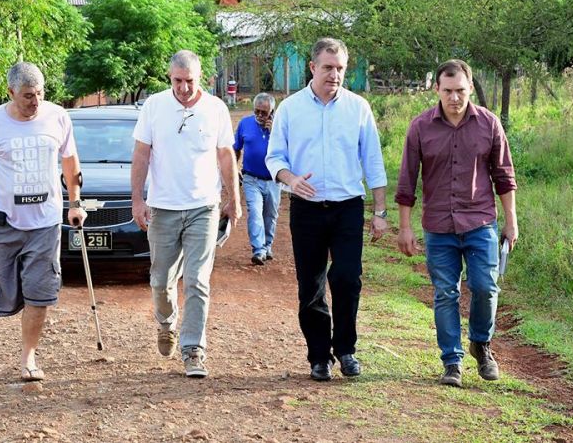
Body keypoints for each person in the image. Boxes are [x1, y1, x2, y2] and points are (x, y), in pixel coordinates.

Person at [266, 38, 388, 381]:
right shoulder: (289, 108)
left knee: (347, 278)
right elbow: (274, 157)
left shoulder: (358, 107)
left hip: (348, 206)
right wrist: (290, 178)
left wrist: (380, 212)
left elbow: (373, 161)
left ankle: (345, 348)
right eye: (328, 67)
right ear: (312, 67)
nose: (334, 74)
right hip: (306, 209)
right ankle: (319, 357)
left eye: (340, 69)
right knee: (311, 284)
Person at [0, 62, 86, 382]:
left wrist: (75, 203)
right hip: (5, 222)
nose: (35, 102)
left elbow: (70, 163)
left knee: (39, 292)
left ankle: (28, 357)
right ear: (11, 92)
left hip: (45, 223)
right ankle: (19, 327)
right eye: (28, 95)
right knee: (6, 296)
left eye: (40, 94)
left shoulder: (57, 116)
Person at [396, 59, 518, 388]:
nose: (454, 98)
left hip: (480, 222)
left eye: (461, 90)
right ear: (437, 89)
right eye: (448, 91)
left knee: (484, 287)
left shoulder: (489, 124)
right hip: (437, 226)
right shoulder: (420, 127)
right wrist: (405, 227)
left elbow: (504, 177)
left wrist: (511, 221)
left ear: (470, 88)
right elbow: (407, 181)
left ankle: (481, 343)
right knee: (445, 294)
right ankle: (452, 361)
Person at [131, 50, 241, 378]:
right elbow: (141, 154)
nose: (183, 87)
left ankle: (193, 348)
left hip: (203, 207)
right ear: (170, 78)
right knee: (161, 280)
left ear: (201, 76)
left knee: (197, 279)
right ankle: (166, 323)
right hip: (163, 207)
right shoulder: (154, 106)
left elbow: (225, 157)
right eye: (177, 81)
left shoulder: (216, 109)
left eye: (189, 81)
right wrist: (138, 200)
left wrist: (232, 199)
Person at [233, 93, 281, 266]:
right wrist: (234, 170)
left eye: (264, 113)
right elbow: (236, 149)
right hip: (251, 178)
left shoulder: (279, 128)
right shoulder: (245, 124)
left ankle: (267, 246)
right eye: (257, 112)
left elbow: (289, 151)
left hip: (274, 180)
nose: (260, 116)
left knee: (270, 214)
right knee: (254, 212)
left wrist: (274, 132)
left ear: (272, 112)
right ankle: (258, 250)